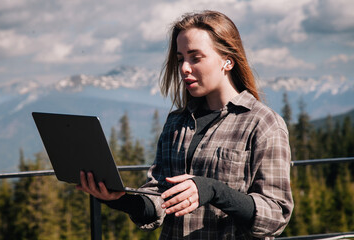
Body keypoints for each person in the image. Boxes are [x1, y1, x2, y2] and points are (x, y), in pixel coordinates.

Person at [77, 10, 294, 239]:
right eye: (181, 59)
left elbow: (276, 215)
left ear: (227, 61)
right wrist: (121, 200)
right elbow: (159, 198)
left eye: (195, 57)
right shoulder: (176, 123)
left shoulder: (263, 124)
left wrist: (213, 191)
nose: (184, 68)